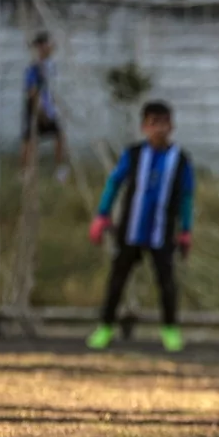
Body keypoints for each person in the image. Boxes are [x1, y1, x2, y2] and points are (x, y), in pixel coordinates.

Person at [86, 101, 195, 353]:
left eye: (164, 123)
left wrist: (186, 229)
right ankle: (105, 327)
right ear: (144, 127)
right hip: (131, 229)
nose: (159, 129)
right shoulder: (134, 154)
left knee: (167, 282)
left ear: (172, 126)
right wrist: (101, 215)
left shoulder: (180, 160)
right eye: (153, 123)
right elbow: (114, 183)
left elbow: (188, 195)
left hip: (162, 231)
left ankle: (170, 330)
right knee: (117, 279)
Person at [21, 32, 69, 182]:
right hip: (38, 108)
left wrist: (57, 106)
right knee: (29, 140)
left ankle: (59, 169)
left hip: (49, 108)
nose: (50, 47)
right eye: (47, 45)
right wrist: (40, 111)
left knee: (59, 137)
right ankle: (25, 172)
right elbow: (32, 92)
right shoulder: (34, 68)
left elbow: (51, 89)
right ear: (41, 47)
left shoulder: (50, 65)